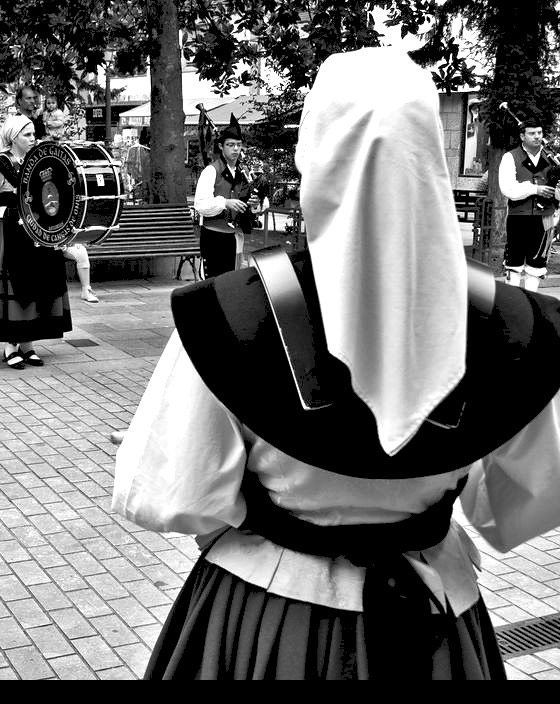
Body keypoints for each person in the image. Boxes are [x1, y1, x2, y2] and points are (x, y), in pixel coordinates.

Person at [112, 46, 560, 681]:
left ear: (314, 154)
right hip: (437, 619)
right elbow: (529, 499)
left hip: (270, 623)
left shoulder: (235, 312)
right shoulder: (505, 320)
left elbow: (168, 492)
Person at [0, 114, 72, 369]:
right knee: (15, 285)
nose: (33, 138)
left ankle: (28, 344)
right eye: (27, 134)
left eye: (33, 134)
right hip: (10, 229)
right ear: (13, 137)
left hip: (37, 230)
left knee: (37, 284)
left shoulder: (39, 162)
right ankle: (10, 347)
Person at [193, 113, 262, 277]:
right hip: (214, 238)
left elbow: (251, 204)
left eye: (238, 145)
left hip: (236, 237)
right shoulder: (211, 171)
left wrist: (254, 204)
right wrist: (225, 203)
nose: (236, 149)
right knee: (214, 284)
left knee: (232, 283)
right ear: (221, 146)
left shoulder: (244, 172)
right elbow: (200, 205)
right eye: (230, 145)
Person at [498, 115, 560, 291]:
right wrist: (535, 189)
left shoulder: (553, 159)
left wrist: (556, 191)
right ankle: (514, 301)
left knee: (537, 263)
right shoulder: (510, 157)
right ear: (522, 136)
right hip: (519, 216)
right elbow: (508, 189)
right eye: (532, 133)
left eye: (539, 133)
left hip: (545, 217)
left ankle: (532, 301)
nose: (537, 136)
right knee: (514, 262)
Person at [124, 127, 151, 203]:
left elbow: (129, 166)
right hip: (142, 176)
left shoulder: (133, 149)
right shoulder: (143, 149)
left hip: (138, 176)